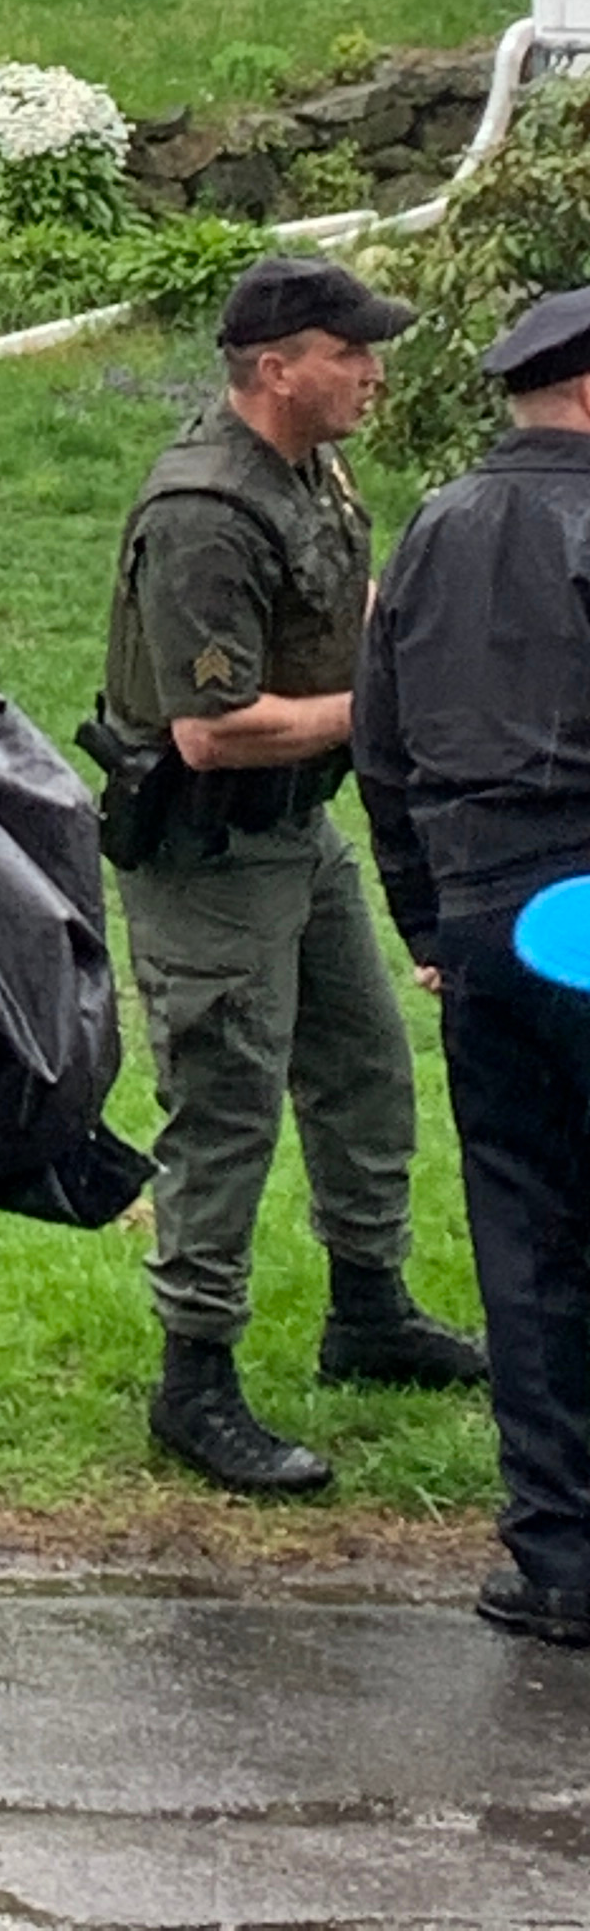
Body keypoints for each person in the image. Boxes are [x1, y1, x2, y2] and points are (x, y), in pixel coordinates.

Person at [93, 253, 485, 1496]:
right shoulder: (205, 514)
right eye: (349, 351)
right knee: (226, 1104)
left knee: (364, 1065)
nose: (374, 371)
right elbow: (214, 732)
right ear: (277, 369)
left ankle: (369, 1310)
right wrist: (387, 709)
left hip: (297, 832)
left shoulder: (310, 469)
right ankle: (194, 1378)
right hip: (211, 849)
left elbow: (340, 599)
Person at [357, 284, 590, 1644]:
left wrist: (426, 920)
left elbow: (380, 743)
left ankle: (558, 1553)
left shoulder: (434, 527)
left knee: (524, 1222)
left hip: (488, 909)